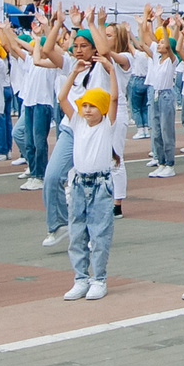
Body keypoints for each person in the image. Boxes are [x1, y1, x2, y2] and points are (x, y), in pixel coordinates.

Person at [61, 86, 119, 300]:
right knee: (76, 233)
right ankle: (80, 278)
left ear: (102, 110)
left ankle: (99, 279)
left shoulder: (106, 125)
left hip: (100, 185)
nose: (87, 110)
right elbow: (61, 97)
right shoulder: (77, 123)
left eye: (92, 106)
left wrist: (109, 69)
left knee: (99, 234)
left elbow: (114, 97)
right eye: (84, 105)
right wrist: (74, 73)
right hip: (78, 184)